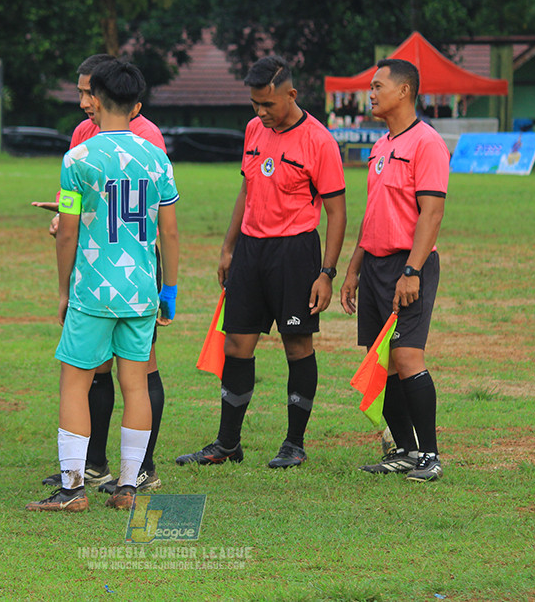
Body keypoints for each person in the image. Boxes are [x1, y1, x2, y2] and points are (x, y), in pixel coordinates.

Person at [176, 55, 346, 469]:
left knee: (297, 346)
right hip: (251, 252)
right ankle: (227, 444)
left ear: (290, 94)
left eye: (267, 104)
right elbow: (246, 190)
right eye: (254, 104)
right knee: (236, 344)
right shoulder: (254, 130)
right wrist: (228, 248)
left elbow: (337, 212)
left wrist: (326, 273)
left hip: (295, 253)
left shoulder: (320, 141)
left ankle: (294, 443)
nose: (260, 113)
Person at [27, 58, 179, 512]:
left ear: (96, 99)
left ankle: (73, 489)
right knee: (136, 384)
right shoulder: (156, 157)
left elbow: (68, 230)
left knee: (74, 383)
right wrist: (168, 291)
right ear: (136, 105)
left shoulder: (77, 158)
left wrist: (62, 289)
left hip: (92, 289)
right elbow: (168, 232)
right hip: (141, 291)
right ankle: (128, 487)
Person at [339, 58, 449, 482]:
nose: (370, 93)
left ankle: (430, 455)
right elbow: (374, 216)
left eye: (378, 85)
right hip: (375, 265)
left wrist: (412, 270)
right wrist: (352, 270)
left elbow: (432, 214)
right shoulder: (381, 146)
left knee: (406, 355)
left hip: (410, 265)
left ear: (404, 91)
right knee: (379, 361)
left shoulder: (427, 143)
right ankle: (403, 448)